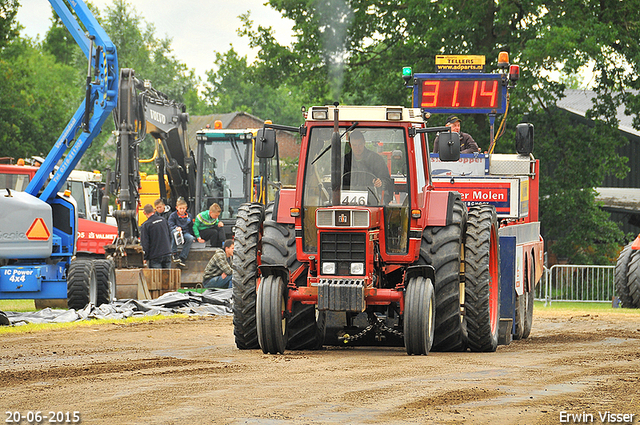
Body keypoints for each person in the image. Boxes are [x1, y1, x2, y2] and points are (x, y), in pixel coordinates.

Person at [342, 130, 393, 204]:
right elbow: (338, 181)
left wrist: (380, 182)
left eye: (360, 144)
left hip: (372, 198)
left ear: (364, 143)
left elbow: (387, 179)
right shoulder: (344, 161)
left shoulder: (376, 159)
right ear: (350, 145)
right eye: (354, 145)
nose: (357, 148)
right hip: (347, 199)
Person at [139, 203, 172, 269]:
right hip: (167, 253)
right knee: (167, 277)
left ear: (144, 213)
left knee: (156, 278)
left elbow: (145, 243)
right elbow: (170, 236)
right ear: (154, 211)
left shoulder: (145, 225)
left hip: (155, 256)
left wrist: (145, 257)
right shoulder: (163, 220)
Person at [167, 198, 195, 268]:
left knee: (190, 238)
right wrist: (176, 227)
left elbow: (191, 227)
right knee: (175, 232)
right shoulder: (173, 215)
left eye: (183, 208)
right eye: (180, 208)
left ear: (186, 208)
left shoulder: (189, 216)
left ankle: (183, 257)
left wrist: (194, 236)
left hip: (185, 232)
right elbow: (170, 225)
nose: (182, 210)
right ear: (177, 208)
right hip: (176, 231)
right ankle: (174, 253)